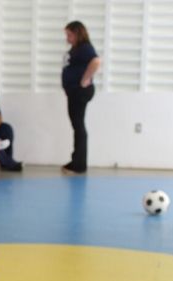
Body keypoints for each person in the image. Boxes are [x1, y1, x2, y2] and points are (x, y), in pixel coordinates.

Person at [61, 21, 101, 174]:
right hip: (73, 92)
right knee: (77, 126)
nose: (67, 38)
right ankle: (76, 160)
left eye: (70, 35)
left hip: (80, 92)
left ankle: (79, 164)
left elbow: (96, 61)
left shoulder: (85, 48)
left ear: (78, 34)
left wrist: (85, 79)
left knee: (78, 126)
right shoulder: (76, 49)